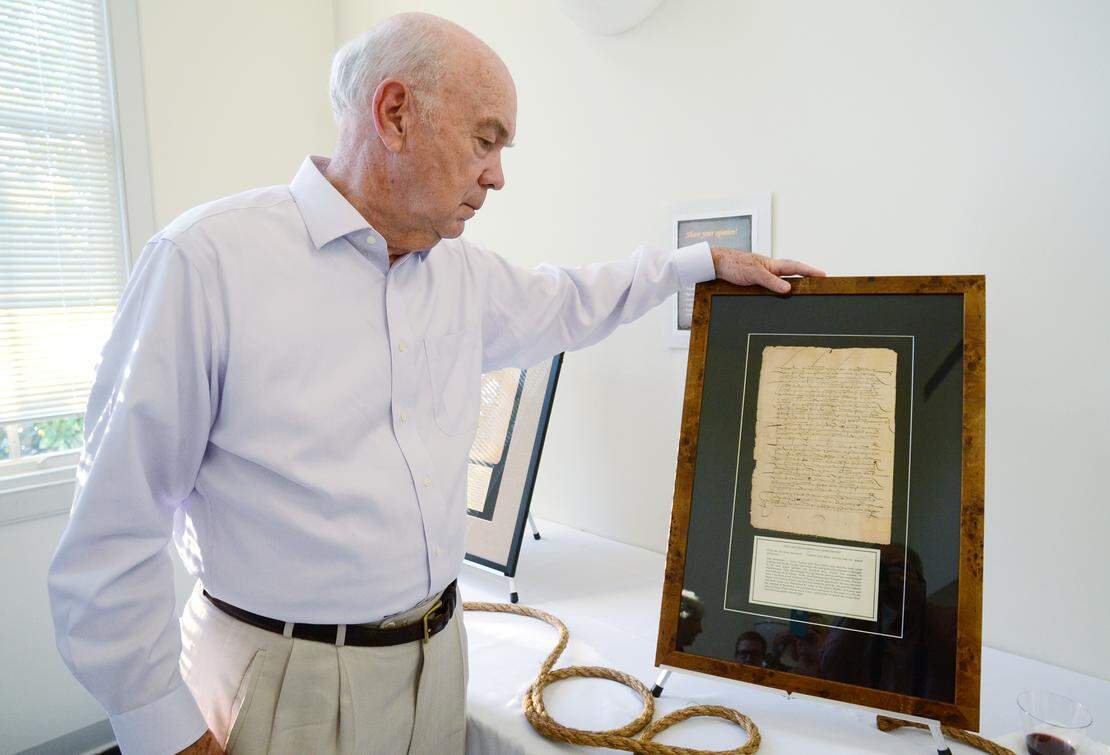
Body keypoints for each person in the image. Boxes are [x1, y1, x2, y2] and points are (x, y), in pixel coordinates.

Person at [47, 12, 824, 755]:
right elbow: (109, 535)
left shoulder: (460, 276)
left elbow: (572, 299)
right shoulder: (205, 262)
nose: (498, 175)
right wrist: (163, 732)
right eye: (486, 139)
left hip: (439, 662)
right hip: (288, 684)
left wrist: (702, 264)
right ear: (394, 114)